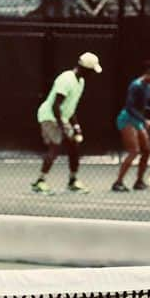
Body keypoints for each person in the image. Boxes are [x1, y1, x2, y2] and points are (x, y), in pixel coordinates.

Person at [31, 51, 102, 194]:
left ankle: (73, 181)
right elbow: (55, 105)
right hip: (49, 116)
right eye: (91, 71)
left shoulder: (81, 82)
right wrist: (63, 126)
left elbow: (70, 107)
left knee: (74, 146)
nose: (92, 74)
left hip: (61, 117)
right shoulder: (66, 79)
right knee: (55, 146)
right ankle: (40, 181)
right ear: (85, 69)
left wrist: (76, 126)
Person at [111, 61, 150, 192]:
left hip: (137, 119)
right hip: (127, 119)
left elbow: (140, 105)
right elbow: (130, 107)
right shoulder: (135, 85)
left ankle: (139, 182)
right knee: (134, 151)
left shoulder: (148, 86)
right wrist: (144, 120)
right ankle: (118, 183)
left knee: (146, 150)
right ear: (149, 74)